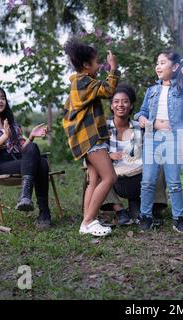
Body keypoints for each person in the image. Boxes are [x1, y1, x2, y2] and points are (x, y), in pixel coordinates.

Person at [134, 49, 183, 233]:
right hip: (152, 138)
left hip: (172, 139)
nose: (158, 66)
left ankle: (178, 218)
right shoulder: (151, 90)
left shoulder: (179, 90)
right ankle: (145, 216)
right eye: (157, 62)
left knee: (174, 182)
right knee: (147, 181)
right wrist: (142, 119)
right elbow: (142, 111)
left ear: (175, 67)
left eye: (163, 62)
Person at [0, 85, 51, 229]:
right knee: (42, 164)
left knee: (35, 151)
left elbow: (23, 149)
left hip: (17, 160)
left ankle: (25, 196)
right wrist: (5, 136)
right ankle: (44, 214)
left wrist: (31, 136)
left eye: (2, 98)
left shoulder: (11, 123)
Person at [63, 38, 120, 237]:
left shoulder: (81, 82)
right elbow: (109, 90)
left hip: (89, 139)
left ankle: (87, 222)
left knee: (94, 180)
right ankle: (88, 222)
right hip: (90, 139)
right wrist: (113, 68)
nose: (100, 65)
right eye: (97, 62)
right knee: (110, 177)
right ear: (86, 65)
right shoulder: (84, 82)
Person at [100, 84, 168, 225]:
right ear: (111, 106)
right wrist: (108, 155)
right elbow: (91, 152)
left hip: (138, 177)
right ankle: (120, 210)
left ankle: (148, 209)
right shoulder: (102, 128)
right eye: (116, 101)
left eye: (125, 101)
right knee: (94, 167)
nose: (121, 105)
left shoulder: (139, 127)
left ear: (131, 106)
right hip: (113, 180)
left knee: (158, 162)